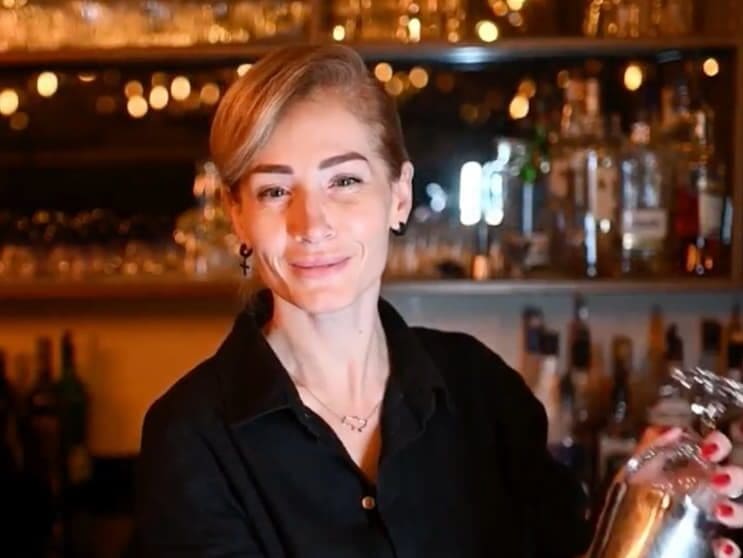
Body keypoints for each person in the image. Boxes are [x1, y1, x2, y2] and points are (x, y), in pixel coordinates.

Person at [134, 44, 743, 558]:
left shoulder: (479, 389)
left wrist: (645, 520)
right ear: (238, 216)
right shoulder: (191, 436)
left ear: (398, 196)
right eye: (273, 190)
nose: (309, 222)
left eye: (344, 180)